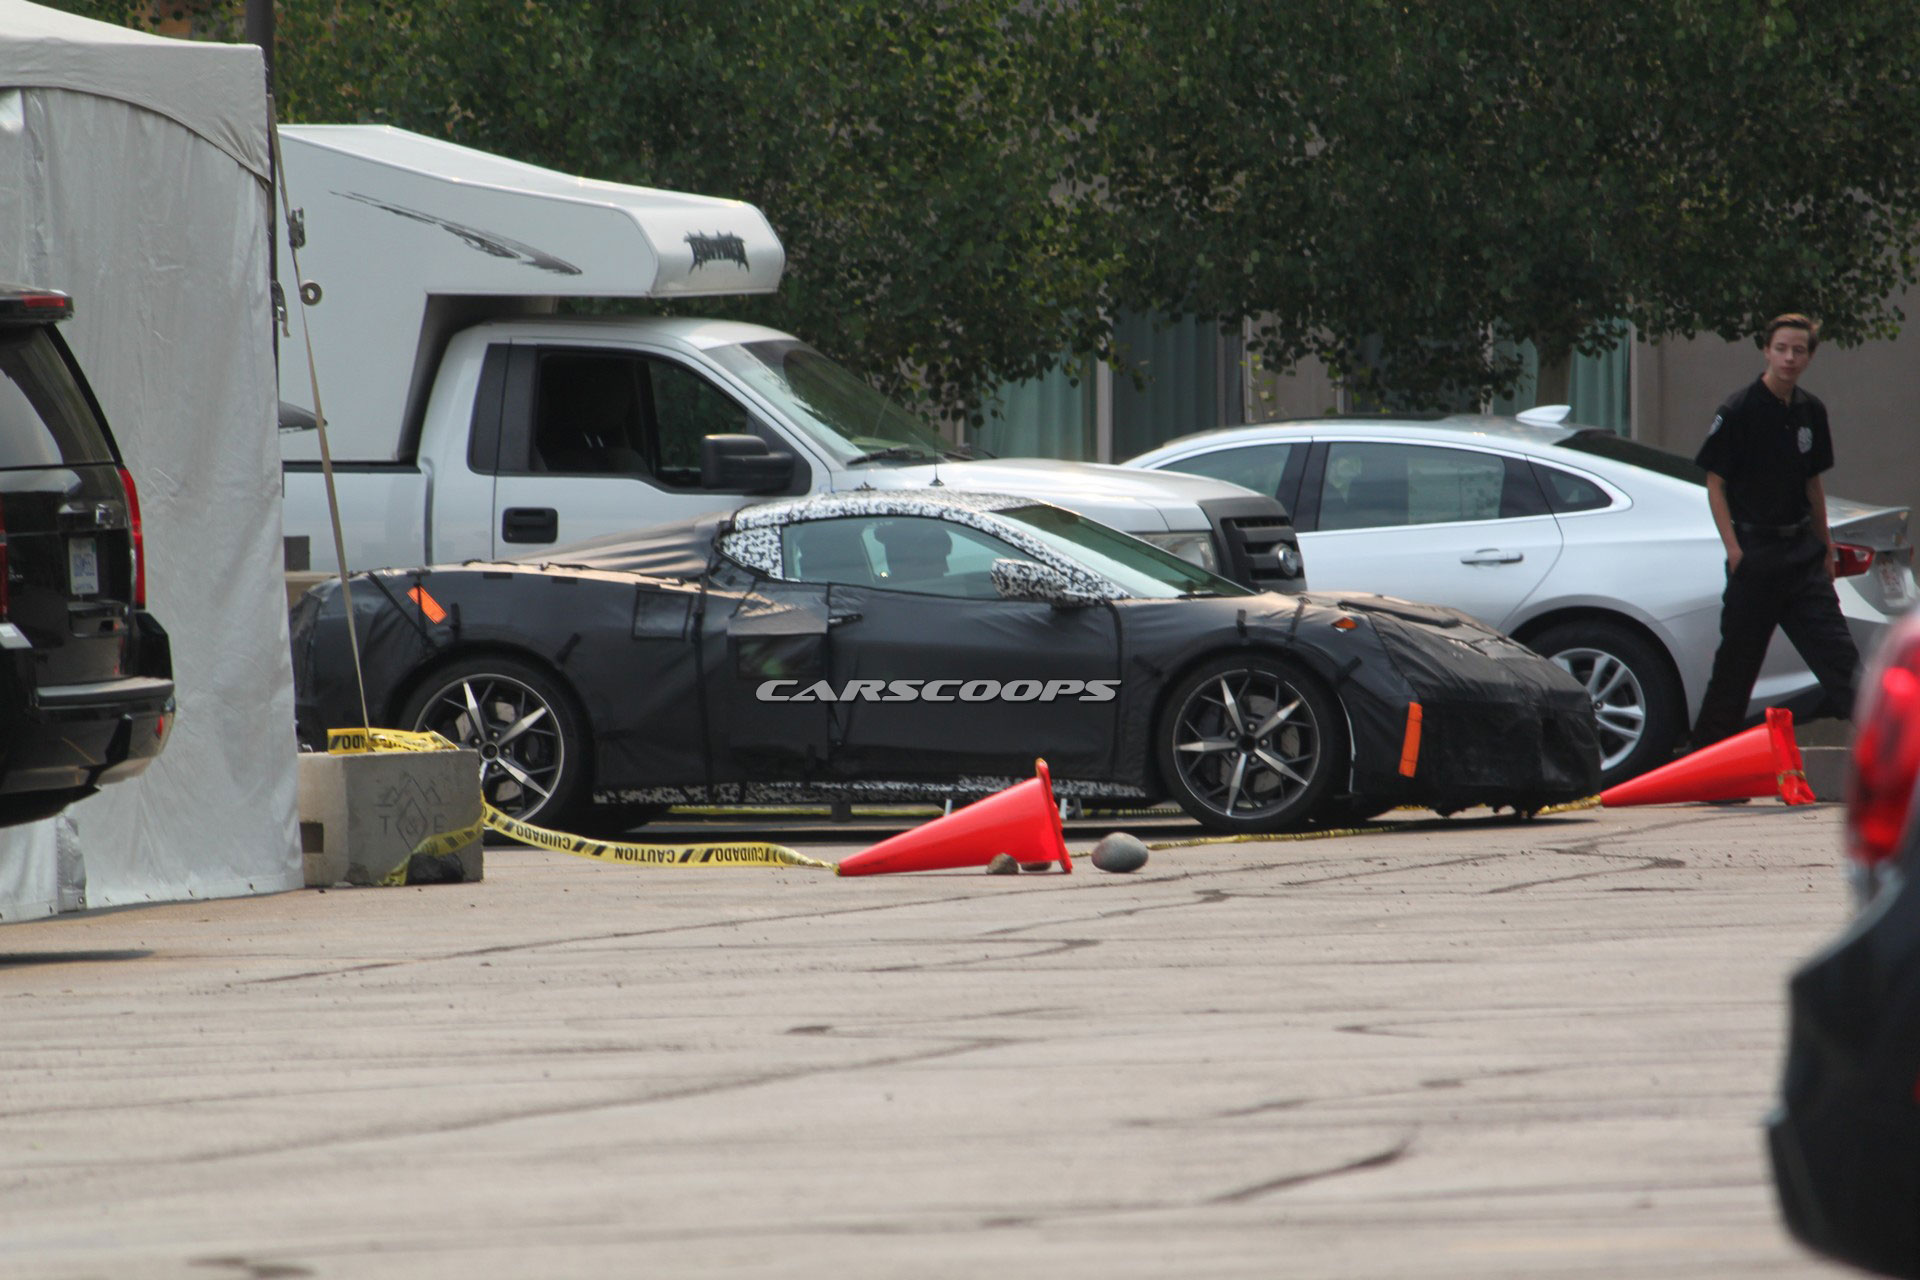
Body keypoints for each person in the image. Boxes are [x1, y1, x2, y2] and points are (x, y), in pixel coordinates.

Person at [1689, 313, 1860, 749]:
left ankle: (1896, 760)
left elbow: (1812, 483)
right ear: (1766, 350)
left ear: (1809, 356)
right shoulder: (1739, 408)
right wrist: (1734, 549)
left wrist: (1824, 546)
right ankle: (1710, 768)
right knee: (1735, 671)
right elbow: (1715, 482)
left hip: (1801, 555)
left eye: (1798, 350)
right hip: (1755, 553)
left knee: (1844, 665)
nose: (1789, 358)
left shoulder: (1810, 411)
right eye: (1781, 348)